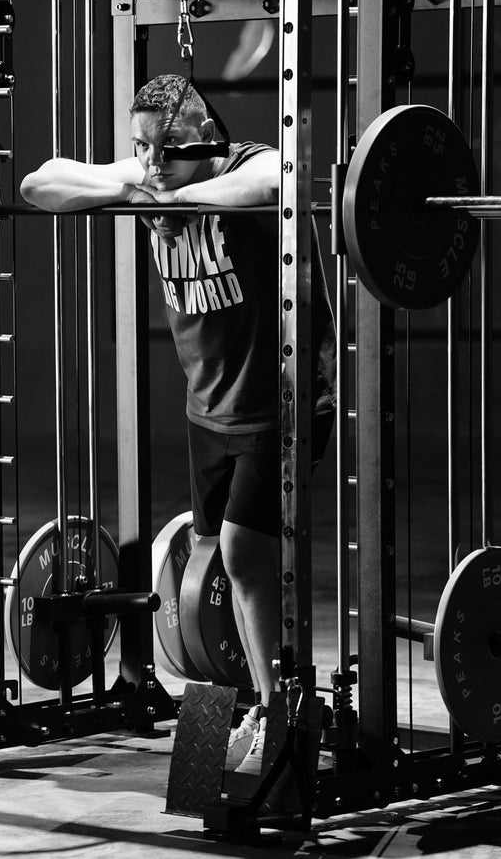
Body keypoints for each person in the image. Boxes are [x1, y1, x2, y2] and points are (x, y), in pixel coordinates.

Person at [21, 74, 336, 776]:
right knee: (208, 569)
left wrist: (164, 193)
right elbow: (38, 185)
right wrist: (133, 185)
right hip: (209, 409)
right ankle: (225, 719)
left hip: (280, 402)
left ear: (203, 140)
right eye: (141, 149)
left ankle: (275, 716)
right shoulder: (154, 169)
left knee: (245, 557)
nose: (151, 161)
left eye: (164, 149)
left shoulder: (246, 162)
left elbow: (271, 182)